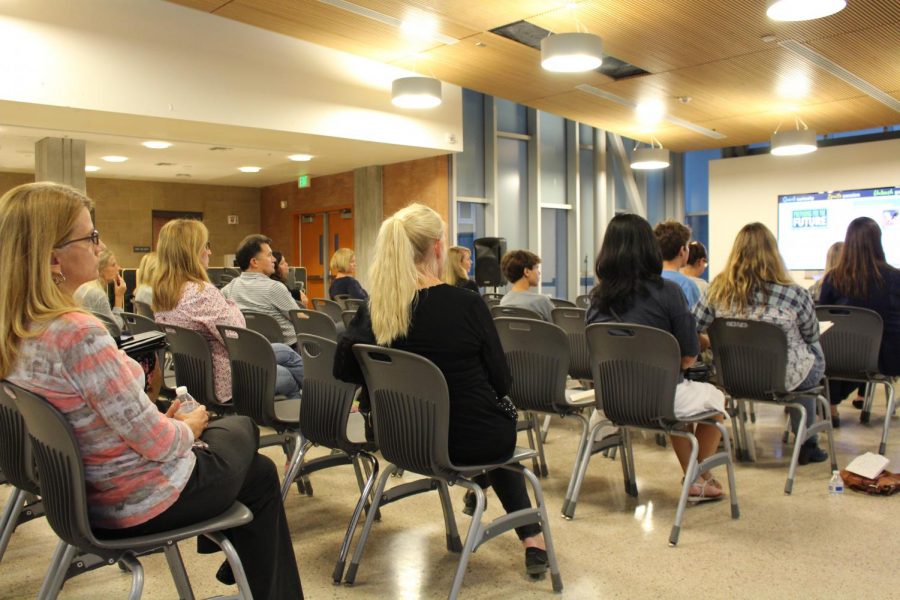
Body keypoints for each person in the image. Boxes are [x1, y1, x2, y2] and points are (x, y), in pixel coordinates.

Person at [0, 182, 302, 599]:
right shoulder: (78, 334)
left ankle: (246, 568)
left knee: (258, 472)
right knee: (240, 430)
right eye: (90, 236)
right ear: (53, 258)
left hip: (80, 497)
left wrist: (164, 419)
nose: (100, 244)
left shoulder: (17, 330)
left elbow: (93, 418)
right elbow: (159, 444)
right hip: (136, 499)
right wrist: (190, 427)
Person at [333, 203, 550, 577]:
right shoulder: (466, 303)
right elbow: (502, 381)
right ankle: (531, 536)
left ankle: (516, 520)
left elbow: (344, 369)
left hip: (399, 439)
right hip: (469, 441)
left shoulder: (377, 309)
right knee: (492, 424)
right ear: (436, 246)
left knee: (477, 421)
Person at [586, 214, 727, 501]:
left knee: (681, 409)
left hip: (611, 401)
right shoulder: (669, 292)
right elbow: (689, 356)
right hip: (660, 398)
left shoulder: (597, 299)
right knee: (716, 401)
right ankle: (697, 476)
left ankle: (697, 477)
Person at [694, 222, 829, 464]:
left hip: (733, 377)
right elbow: (811, 335)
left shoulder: (716, 289)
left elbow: (694, 325)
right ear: (774, 254)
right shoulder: (796, 294)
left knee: (804, 353)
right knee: (812, 351)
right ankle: (807, 442)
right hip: (784, 379)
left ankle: (805, 440)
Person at [153, 221, 304, 402]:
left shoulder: (163, 294)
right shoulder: (201, 293)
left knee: (284, 352)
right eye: (206, 246)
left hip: (196, 377)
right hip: (227, 379)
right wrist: (230, 304)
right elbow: (239, 337)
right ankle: (302, 419)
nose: (210, 252)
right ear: (191, 252)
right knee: (288, 377)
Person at [819, 217, 900, 424]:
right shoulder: (894, 278)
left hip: (837, 359)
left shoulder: (832, 279)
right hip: (883, 361)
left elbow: (822, 323)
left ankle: (831, 407)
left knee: (835, 343)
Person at [222, 234, 309, 346]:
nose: (274, 260)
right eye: (269, 255)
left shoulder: (229, 288)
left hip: (251, 351)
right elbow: (300, 321)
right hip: (288, 350)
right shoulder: (274, 288)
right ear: (254, 262)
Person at [74, 249, 126, 336]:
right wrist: (119, 297)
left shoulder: (84, 287)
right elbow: (115, 331)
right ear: (100, 269)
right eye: (113, 265)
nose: (118, 268)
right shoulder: (97, 294)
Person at [654, 221, 701, 308]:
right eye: (687, 246)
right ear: (682, 251)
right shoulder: (688, 286)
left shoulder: (648, 281)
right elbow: (695, 320)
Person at [498, 250, 554, 321]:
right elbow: (560, 329)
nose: (539, 272)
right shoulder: (541, 301)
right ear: (526, 271)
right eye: (536, 267)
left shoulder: (504, 301)